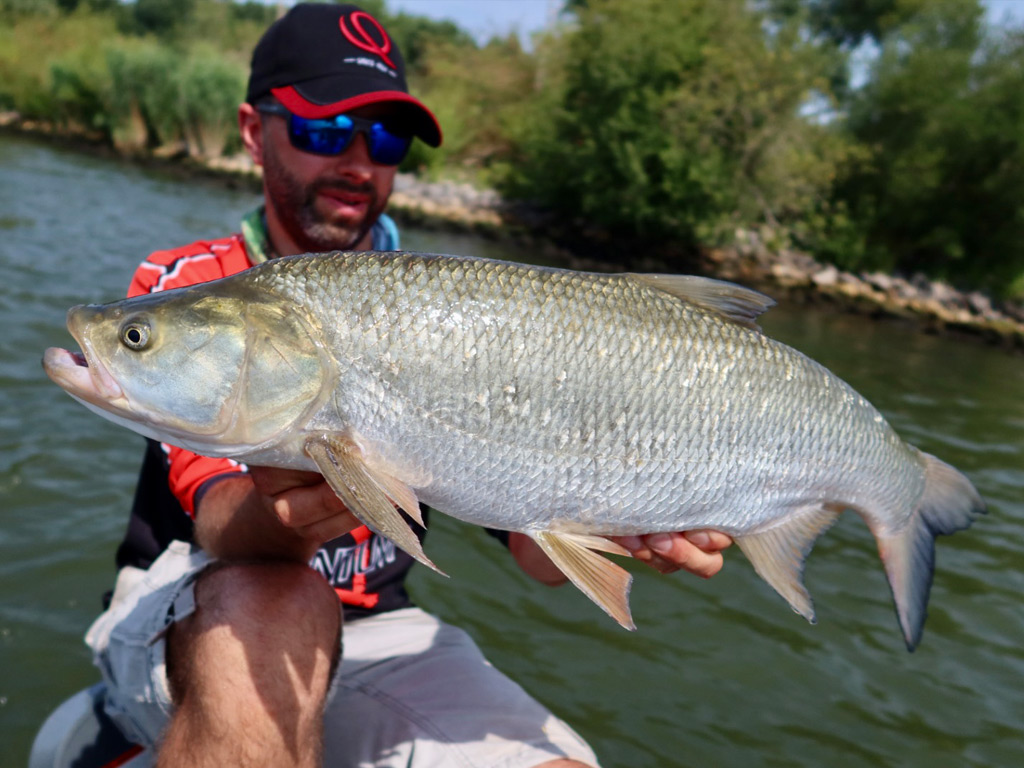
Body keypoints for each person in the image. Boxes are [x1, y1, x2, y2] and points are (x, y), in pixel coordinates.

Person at [84, 4, 733, 767]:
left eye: (385, 138)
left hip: (380, 633)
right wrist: (284, 508)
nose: (359, 163)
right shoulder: (191, 285)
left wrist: (630, 517)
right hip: (197, 598)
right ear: (255, 132)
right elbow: (223, 521)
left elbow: (534, 555)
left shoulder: (448, 311)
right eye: (325, 131)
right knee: (273, 599)